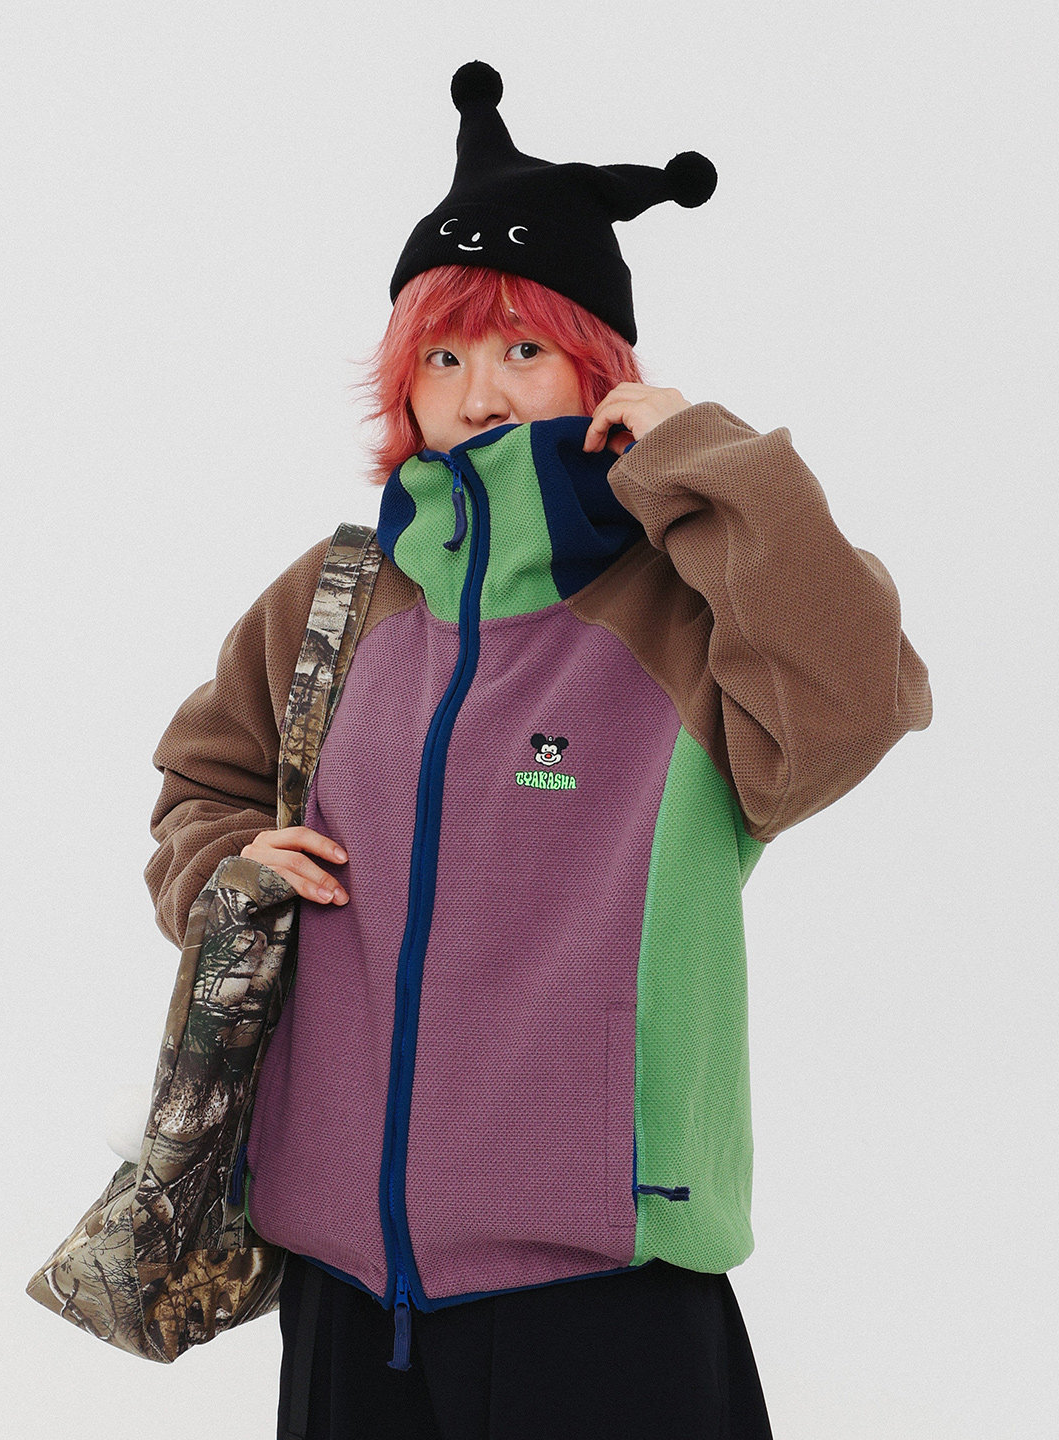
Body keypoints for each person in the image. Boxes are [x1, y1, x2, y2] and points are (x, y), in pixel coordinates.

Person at [143, 60, 932, 1440]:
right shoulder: (334, 598)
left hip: (606, 1283)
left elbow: (859, 696)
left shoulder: (682, 609)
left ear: (599, 371)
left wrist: (712, 465)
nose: (481, 393)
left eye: (523, 350)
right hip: (343, 1280)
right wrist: (228, 866)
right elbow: (202, 779)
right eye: (443, 356)